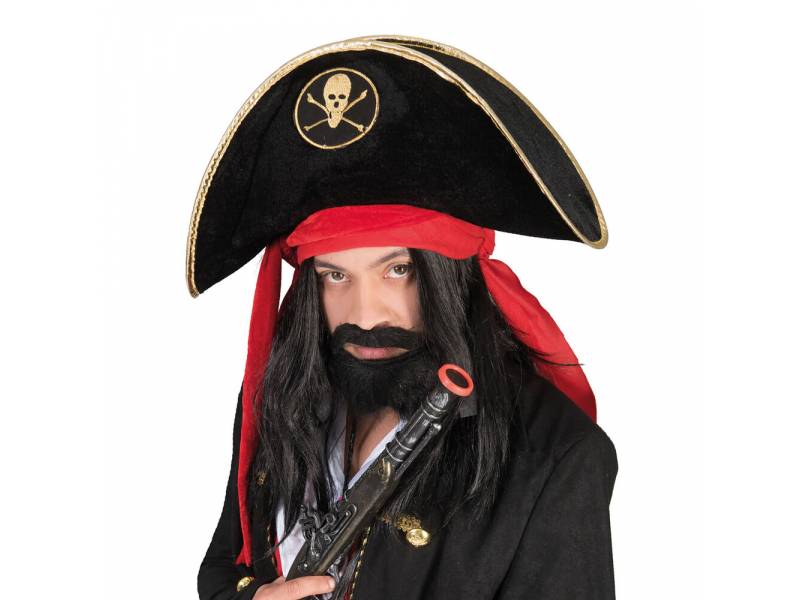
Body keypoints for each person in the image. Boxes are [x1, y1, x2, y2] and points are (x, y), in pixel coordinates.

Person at [188, 36, 617, 600]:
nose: (365, 315)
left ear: (448, 275)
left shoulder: (558, 455)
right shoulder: (281, 396)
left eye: (397, 270)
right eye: (335, 276)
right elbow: (224, 569)